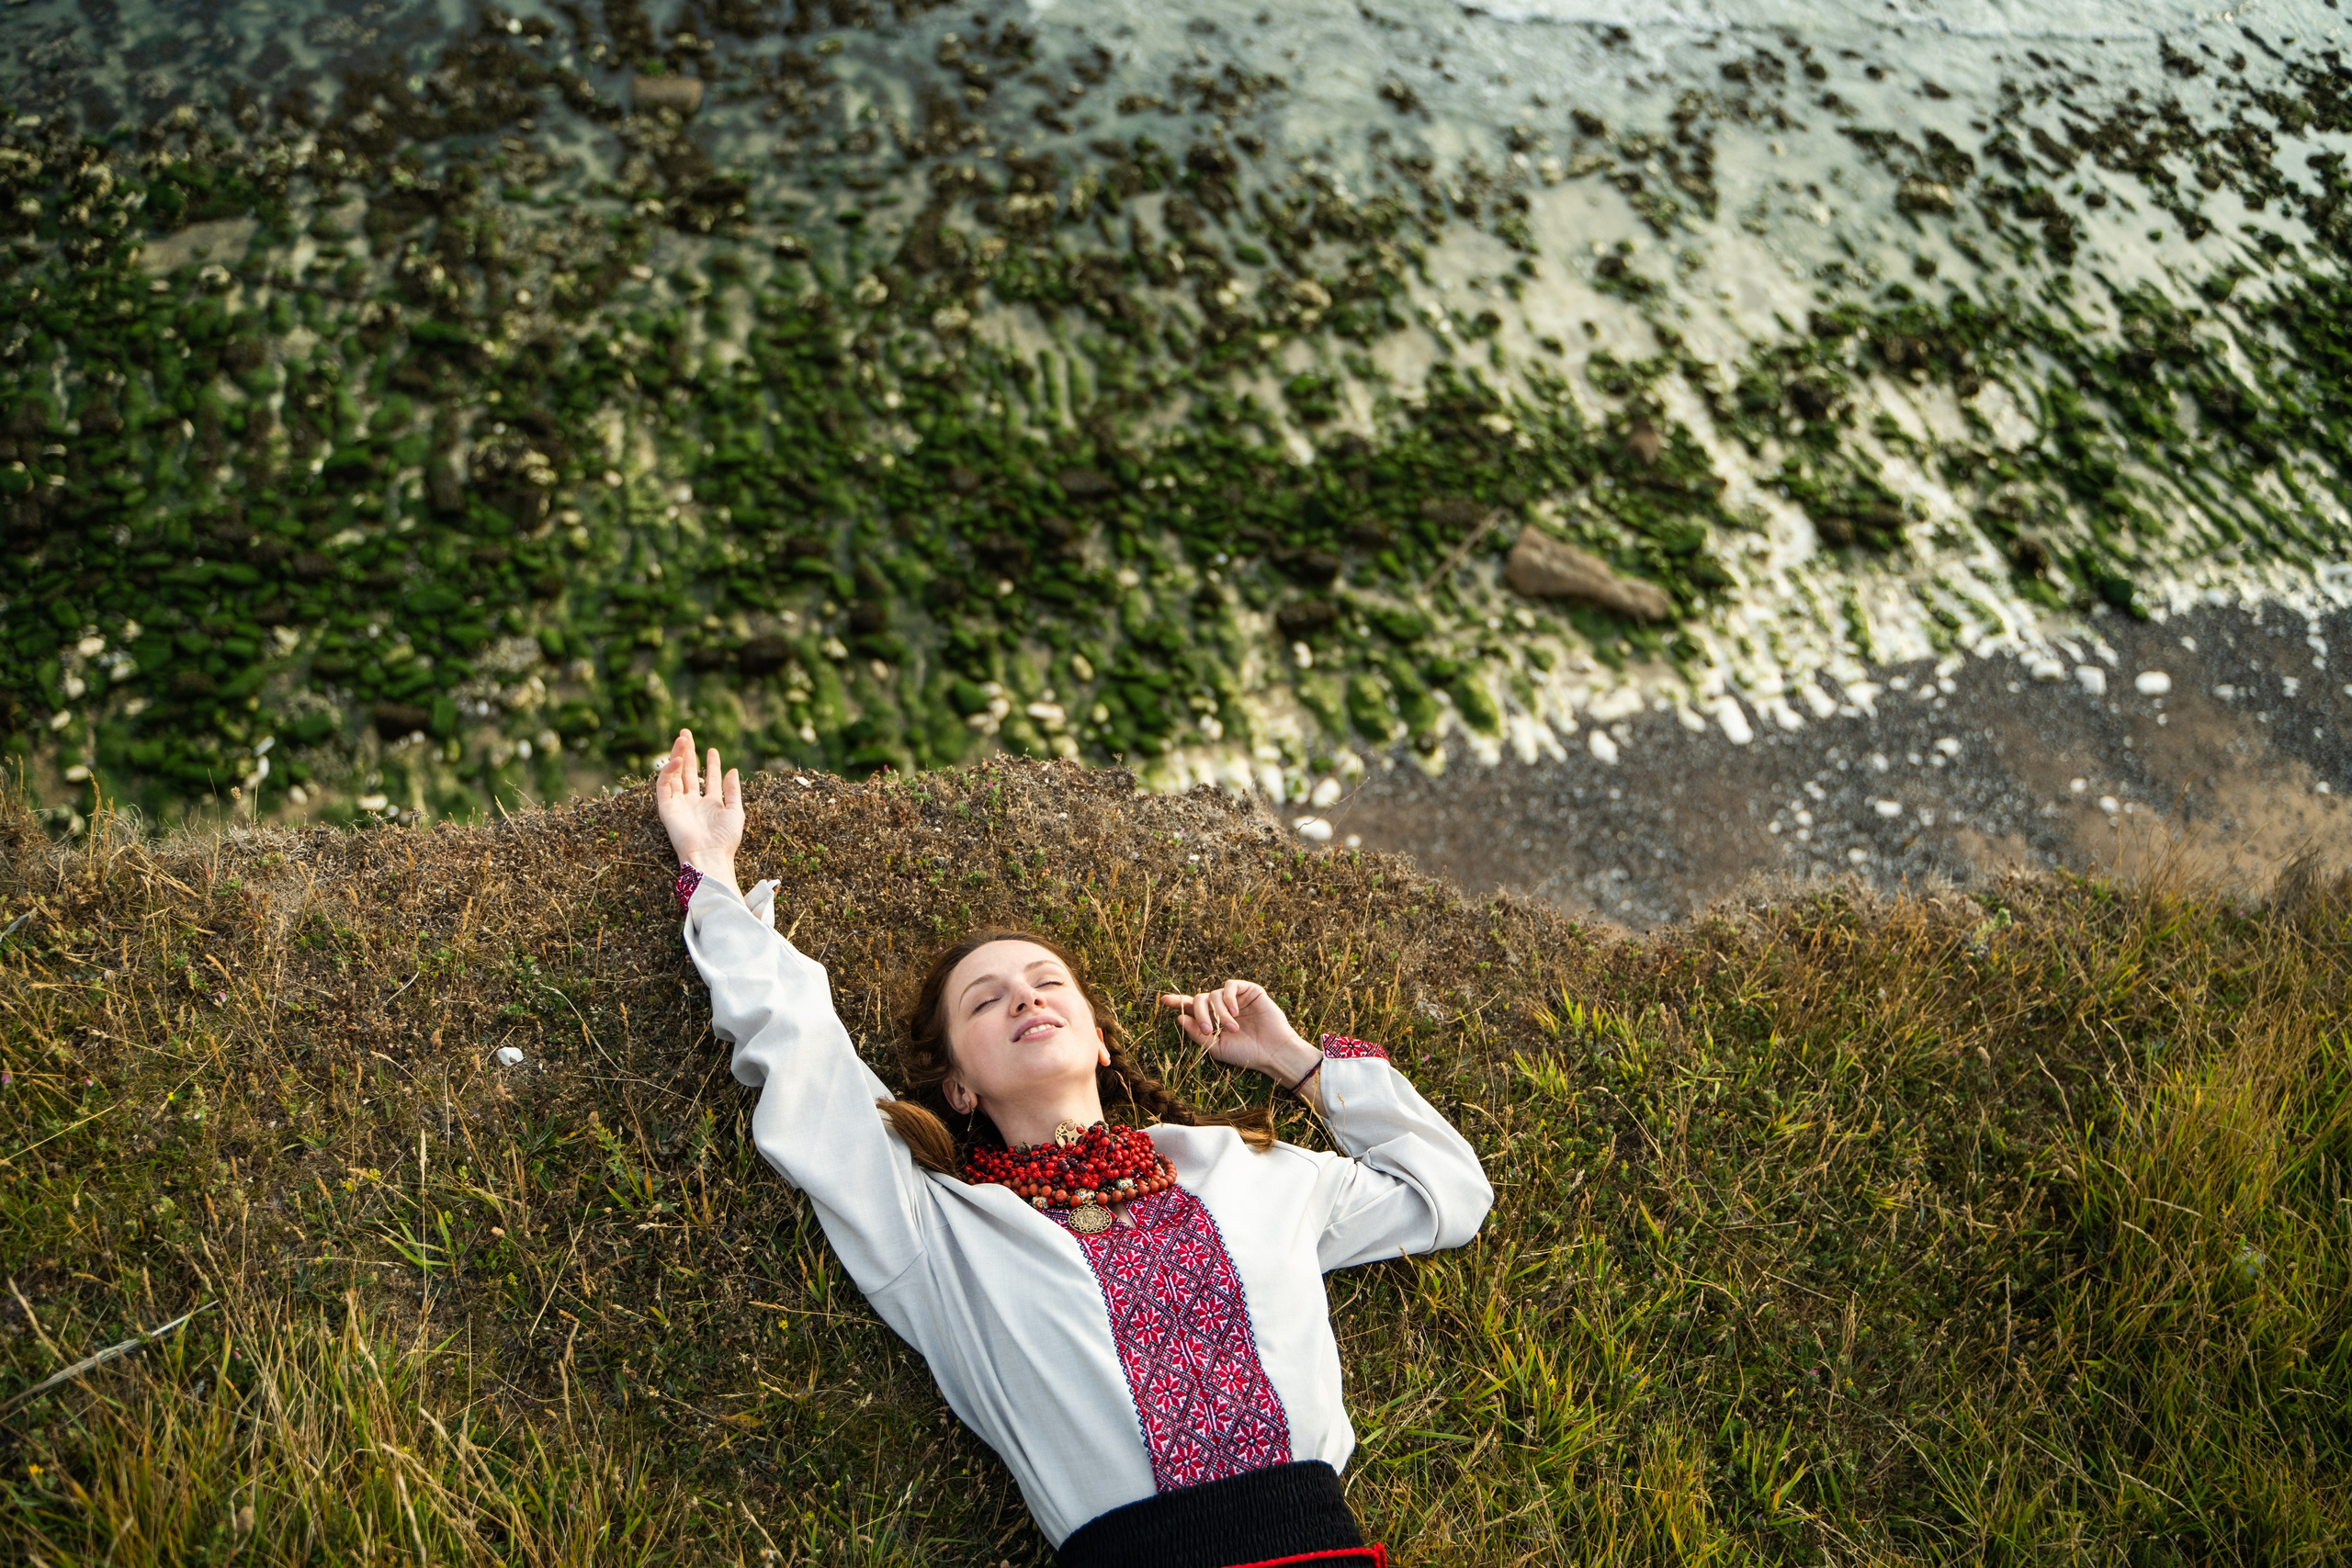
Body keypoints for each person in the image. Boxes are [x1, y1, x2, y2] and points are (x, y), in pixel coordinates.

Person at [655, 728, 1492, 1567]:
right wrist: (712, 872)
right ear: (959, 1089)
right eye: (986, 1002)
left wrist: (1295, 1061)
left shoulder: (1250, 1172)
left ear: (1098, 1038)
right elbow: (802, 1047)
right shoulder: (937, 1229)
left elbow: (1446, 1194)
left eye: (1048, 982)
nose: (1025, 995)